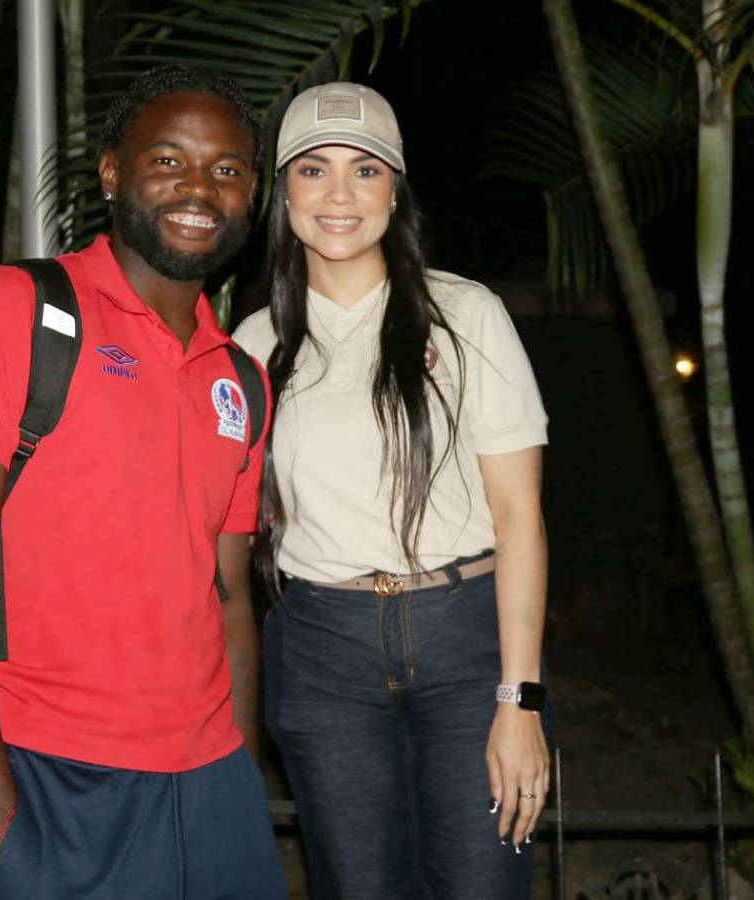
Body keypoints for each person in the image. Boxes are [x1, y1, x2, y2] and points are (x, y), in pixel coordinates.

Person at [0, 64, 286, 900]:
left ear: (252, 194)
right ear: (112, 173)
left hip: (212, 788)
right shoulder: (20, 310)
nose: (198, 188)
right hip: (51, 777)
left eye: (226, 168)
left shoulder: (242, 379)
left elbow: (228, 598)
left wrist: (243, 781)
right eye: (168, 160)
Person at [233, 82, 550, 900]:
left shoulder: (465, 314)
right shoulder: (252, 344)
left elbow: (519, 516)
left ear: (396, 191)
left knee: (483, 884)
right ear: (283, 194)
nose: (339, 194)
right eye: (313, 169)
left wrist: (521, 700)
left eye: (365, 170)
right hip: (321, 647)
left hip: (465, 641)